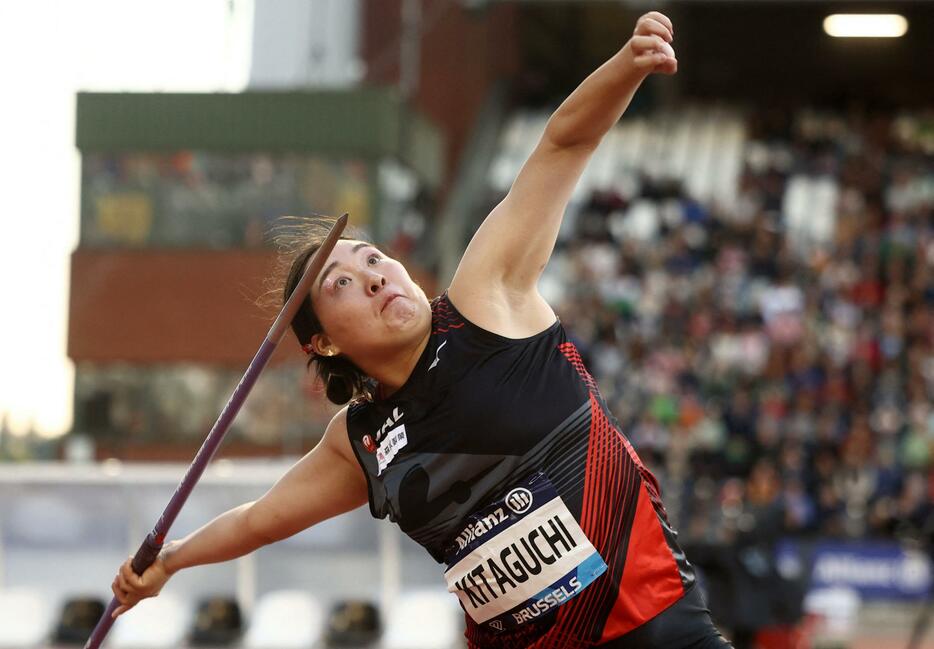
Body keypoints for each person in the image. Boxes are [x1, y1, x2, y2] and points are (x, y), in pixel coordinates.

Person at [110, 12, 732, 648]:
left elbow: (562, 146)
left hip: (657, 629)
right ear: (321, 342)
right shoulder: (359, 442)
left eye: (373, 257)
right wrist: (170, 561)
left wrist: (628, 65)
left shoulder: (485, 300)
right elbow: (259, 520)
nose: (375, 276)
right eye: (342, 284)